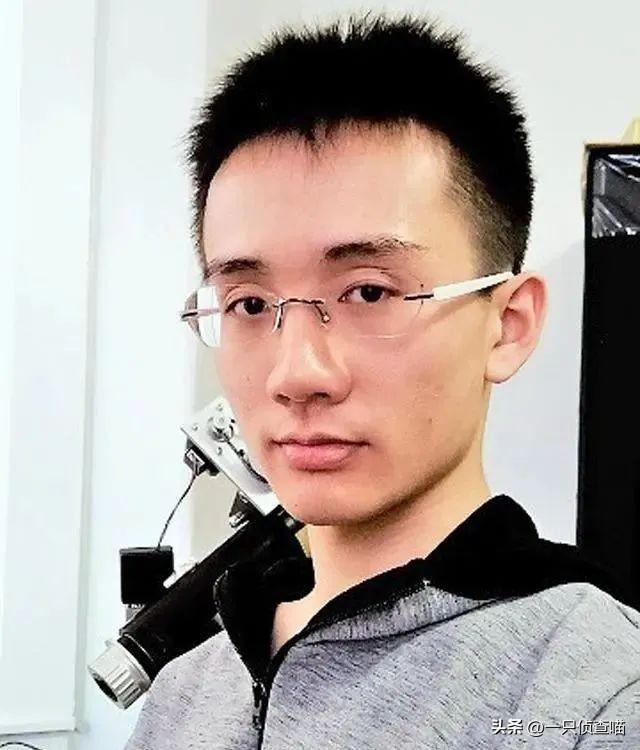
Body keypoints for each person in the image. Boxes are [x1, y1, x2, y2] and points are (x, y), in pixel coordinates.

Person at [125, 12, 640, 749]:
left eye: (368, 292)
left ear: (508, 324)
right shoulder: (186, 691)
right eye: (250, 304)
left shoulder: (598, 698)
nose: (296, 373)